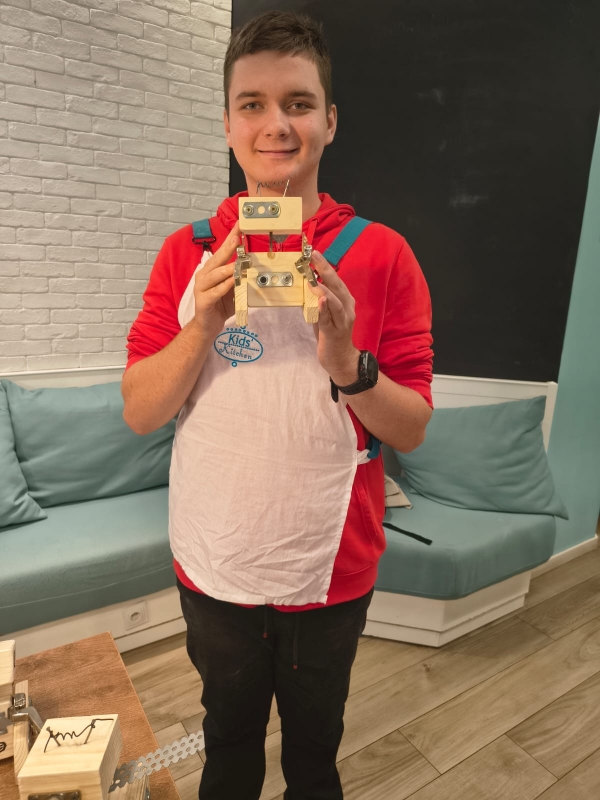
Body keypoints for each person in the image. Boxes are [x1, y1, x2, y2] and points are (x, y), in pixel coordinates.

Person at [122, 10, 433, 800]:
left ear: (330, 120)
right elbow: (141, 412)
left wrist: (346, 363)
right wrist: (203, 324)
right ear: (228, 124)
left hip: (330, 565)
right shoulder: (186, 251)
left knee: (313, 756)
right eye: (252, 104)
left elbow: (412, 428)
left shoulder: (383, 254)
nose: (276, 125)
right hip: (214, 556)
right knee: (227, 747)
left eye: (298, 103)